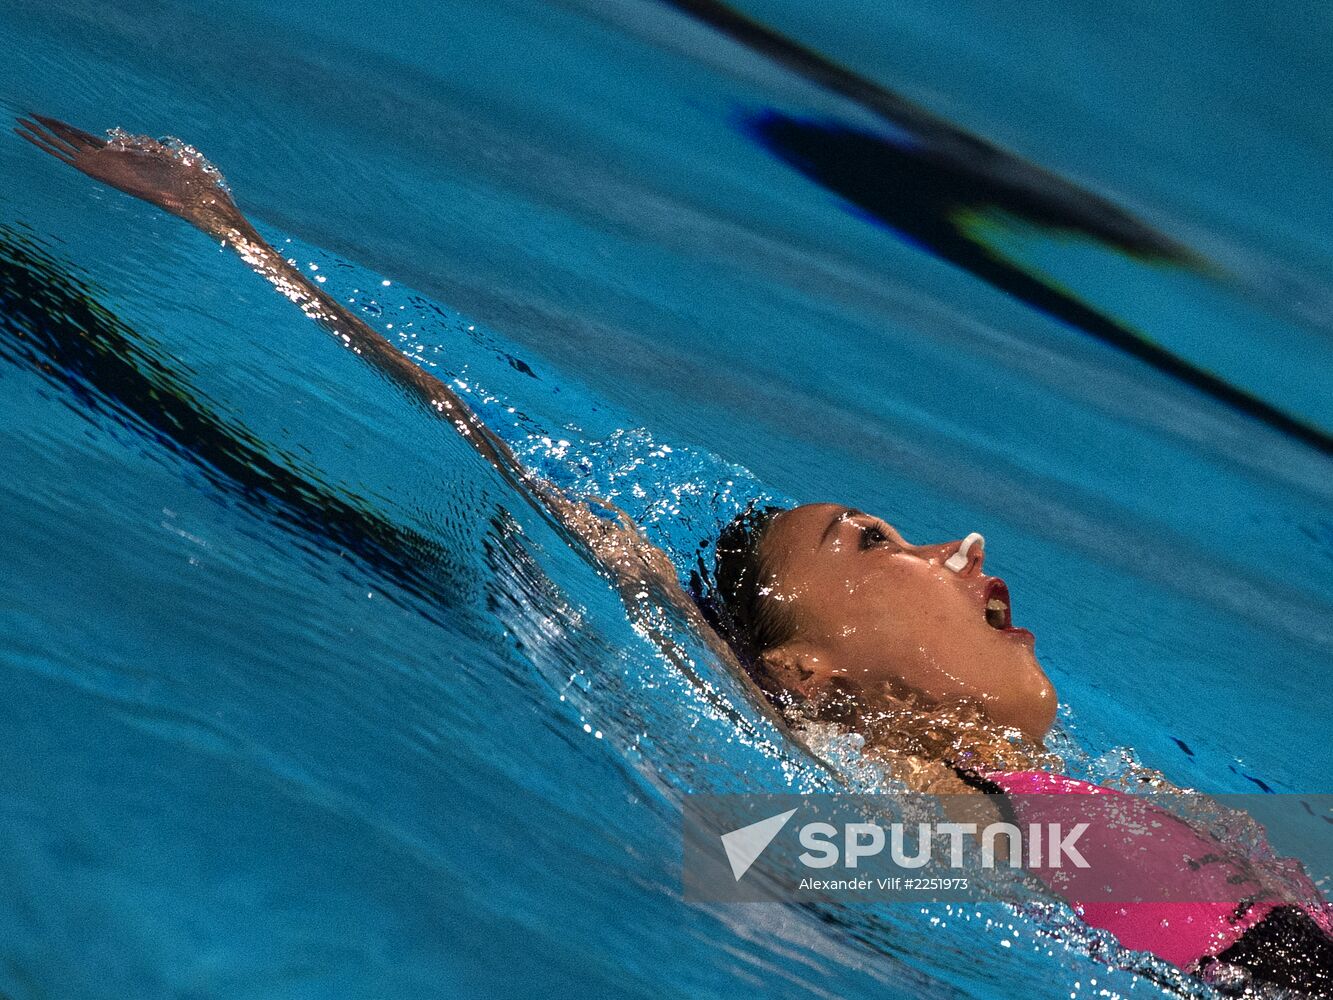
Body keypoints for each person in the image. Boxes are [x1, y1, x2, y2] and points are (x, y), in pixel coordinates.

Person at [17, 115, 1331, 994]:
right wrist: (239, 244)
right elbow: (549, 500)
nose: (960, 544)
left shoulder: (1077, 807)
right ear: (813, 679)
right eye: (871, 542)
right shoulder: (939, 837)